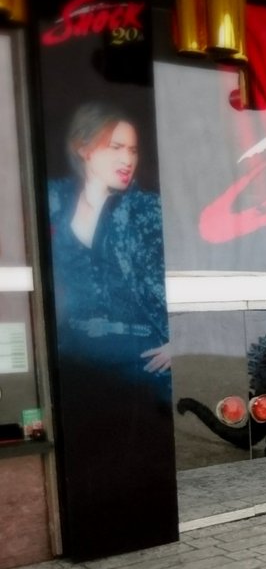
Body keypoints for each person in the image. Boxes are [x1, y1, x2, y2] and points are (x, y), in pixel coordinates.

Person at [47, 102, 170, 395]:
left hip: (142, 359)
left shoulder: (147, 209)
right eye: (116, 147)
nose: (127, 159)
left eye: (133, 150)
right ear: (84, 148)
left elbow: (191, 271)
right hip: (74, 359)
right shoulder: (53, 200)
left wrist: (185, 338)